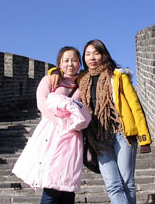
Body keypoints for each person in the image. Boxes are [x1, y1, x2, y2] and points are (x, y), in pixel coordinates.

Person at [48, 39, 152, 204]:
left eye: (96, 53)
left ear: (104, 55)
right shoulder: (83, 78)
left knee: (127, 184)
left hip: (122, 135)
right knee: (113, 185)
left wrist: (144, 137)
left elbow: (135, 106)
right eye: (88, 54)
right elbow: (66, 71)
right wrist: (54, 72)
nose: (92, 57)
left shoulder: (118, 76)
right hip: (99, 138)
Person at [12, 46, 91, 204]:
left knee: (68, 188)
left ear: (80, 63)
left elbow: (86, 111)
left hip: (72, 138)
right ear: (59, 63)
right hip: (51, 135)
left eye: (75, 60)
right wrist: (62, 122)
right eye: (66, 60)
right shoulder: (49, 80)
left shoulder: (84, 84)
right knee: (52, 188)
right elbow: (42, 105)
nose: (70, 64)